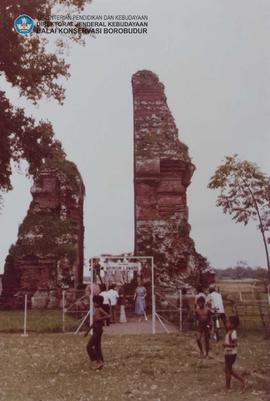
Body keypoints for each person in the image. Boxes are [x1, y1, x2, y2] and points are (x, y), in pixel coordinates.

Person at [85, 295, 110, 370]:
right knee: (97, 347)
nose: (94, 303)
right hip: (95, 329)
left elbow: (109, 316)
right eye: (93, 302)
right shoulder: (95, 310)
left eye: (95, 302)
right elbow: (94, 322)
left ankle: (98, 361)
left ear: (99, 303)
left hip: (98, 330)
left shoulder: (100, 309)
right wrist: (87, 331)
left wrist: (100, 318)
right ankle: (101, 362)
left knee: (89, 346)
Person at [223, 315, 246, 392]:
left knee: (228, 370)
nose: (226, 323)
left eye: (228, 322)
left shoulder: (233, 333)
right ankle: (241, 380)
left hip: (231, 354)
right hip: (228, 353)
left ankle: (228, 387)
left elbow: (235, 344)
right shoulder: (229, 332)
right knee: (228, 370)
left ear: (232, 324)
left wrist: (226, 345)